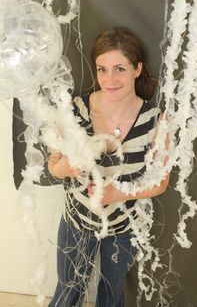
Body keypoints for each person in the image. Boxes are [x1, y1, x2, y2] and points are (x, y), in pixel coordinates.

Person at [48, 26, 169, 307]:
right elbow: (53, 166)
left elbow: (161, 182)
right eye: (102, 70)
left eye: (119, 69)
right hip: (76, 222)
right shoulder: (76, 109)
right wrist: (65, 168)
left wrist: (117, 195)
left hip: (124, 227)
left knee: (111, 296)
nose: (109, 79)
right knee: (68, 292)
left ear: (137, 69)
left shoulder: (155, 120)